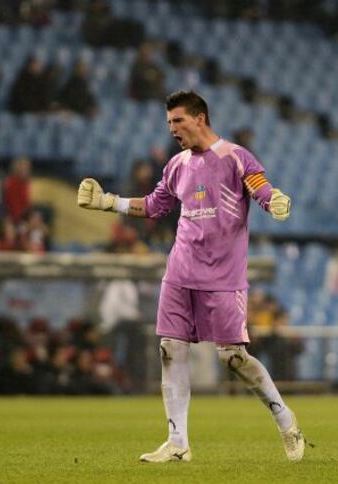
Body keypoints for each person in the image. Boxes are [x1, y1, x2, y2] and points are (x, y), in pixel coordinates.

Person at [77, 90, 304, 463]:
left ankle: (285, 419)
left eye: (178, 120)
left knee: (233, 358)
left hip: (224, 277)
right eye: (168, 123)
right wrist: (108, 202)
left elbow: (260, 187)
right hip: (180, 270)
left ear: (200, 118)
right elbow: (154, 206)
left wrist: (273, 200)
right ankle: (178, 442)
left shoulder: (235, 157)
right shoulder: (177, 165)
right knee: (170, 348)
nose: (172, 129)